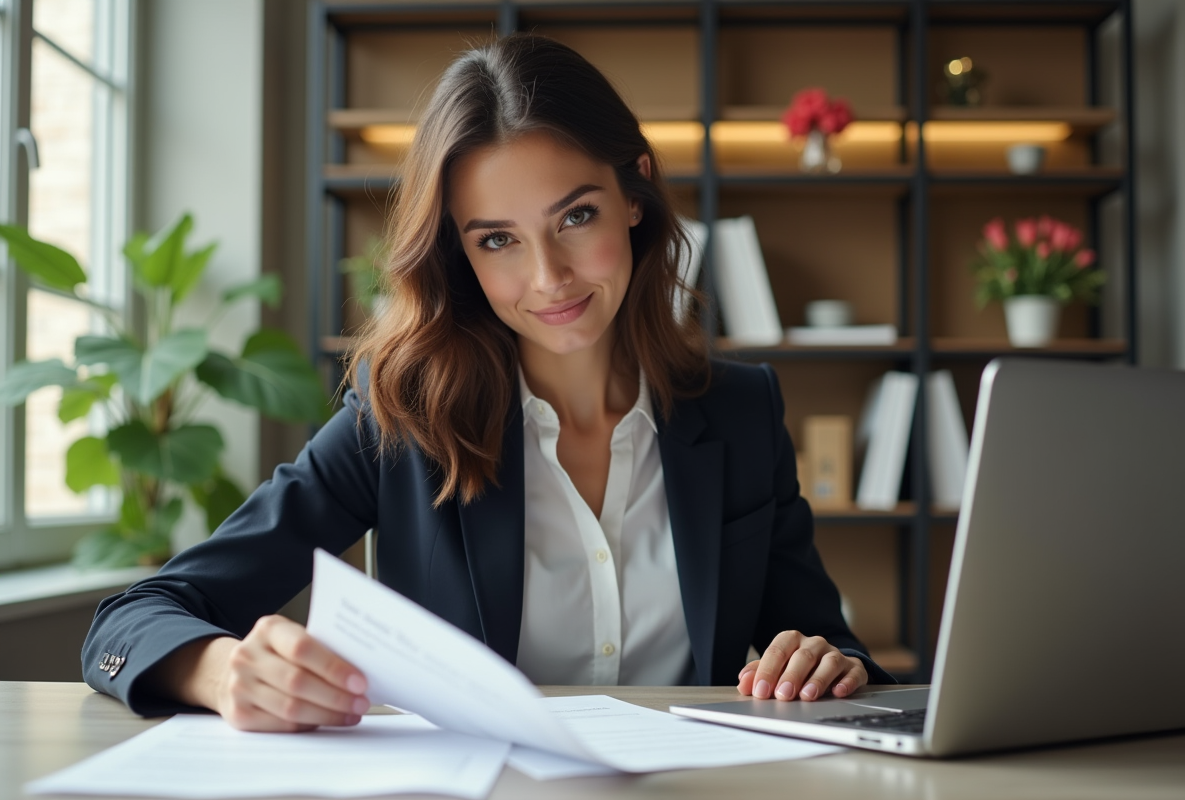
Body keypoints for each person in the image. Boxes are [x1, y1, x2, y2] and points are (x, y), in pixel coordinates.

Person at [82, 33, 894, 732]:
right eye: (498, 239)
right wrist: (223, 673)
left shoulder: (743, 413)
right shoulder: (401, 417)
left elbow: (832, 654)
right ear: (459, 255)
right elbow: (130, 620)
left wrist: (827, 663)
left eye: (576, 216)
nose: (549, 279)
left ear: (634, 193)